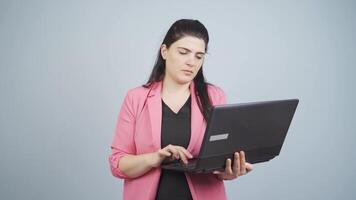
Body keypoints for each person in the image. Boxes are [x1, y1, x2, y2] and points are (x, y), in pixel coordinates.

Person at [109, 19, 253, 200]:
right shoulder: (136, 98)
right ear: (164, 51)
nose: (191, 62)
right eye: (184, 52)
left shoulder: (214, 96)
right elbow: (117, 164)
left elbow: (219, 160)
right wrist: (154, 158)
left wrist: (229, 172)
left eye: (199, 56)